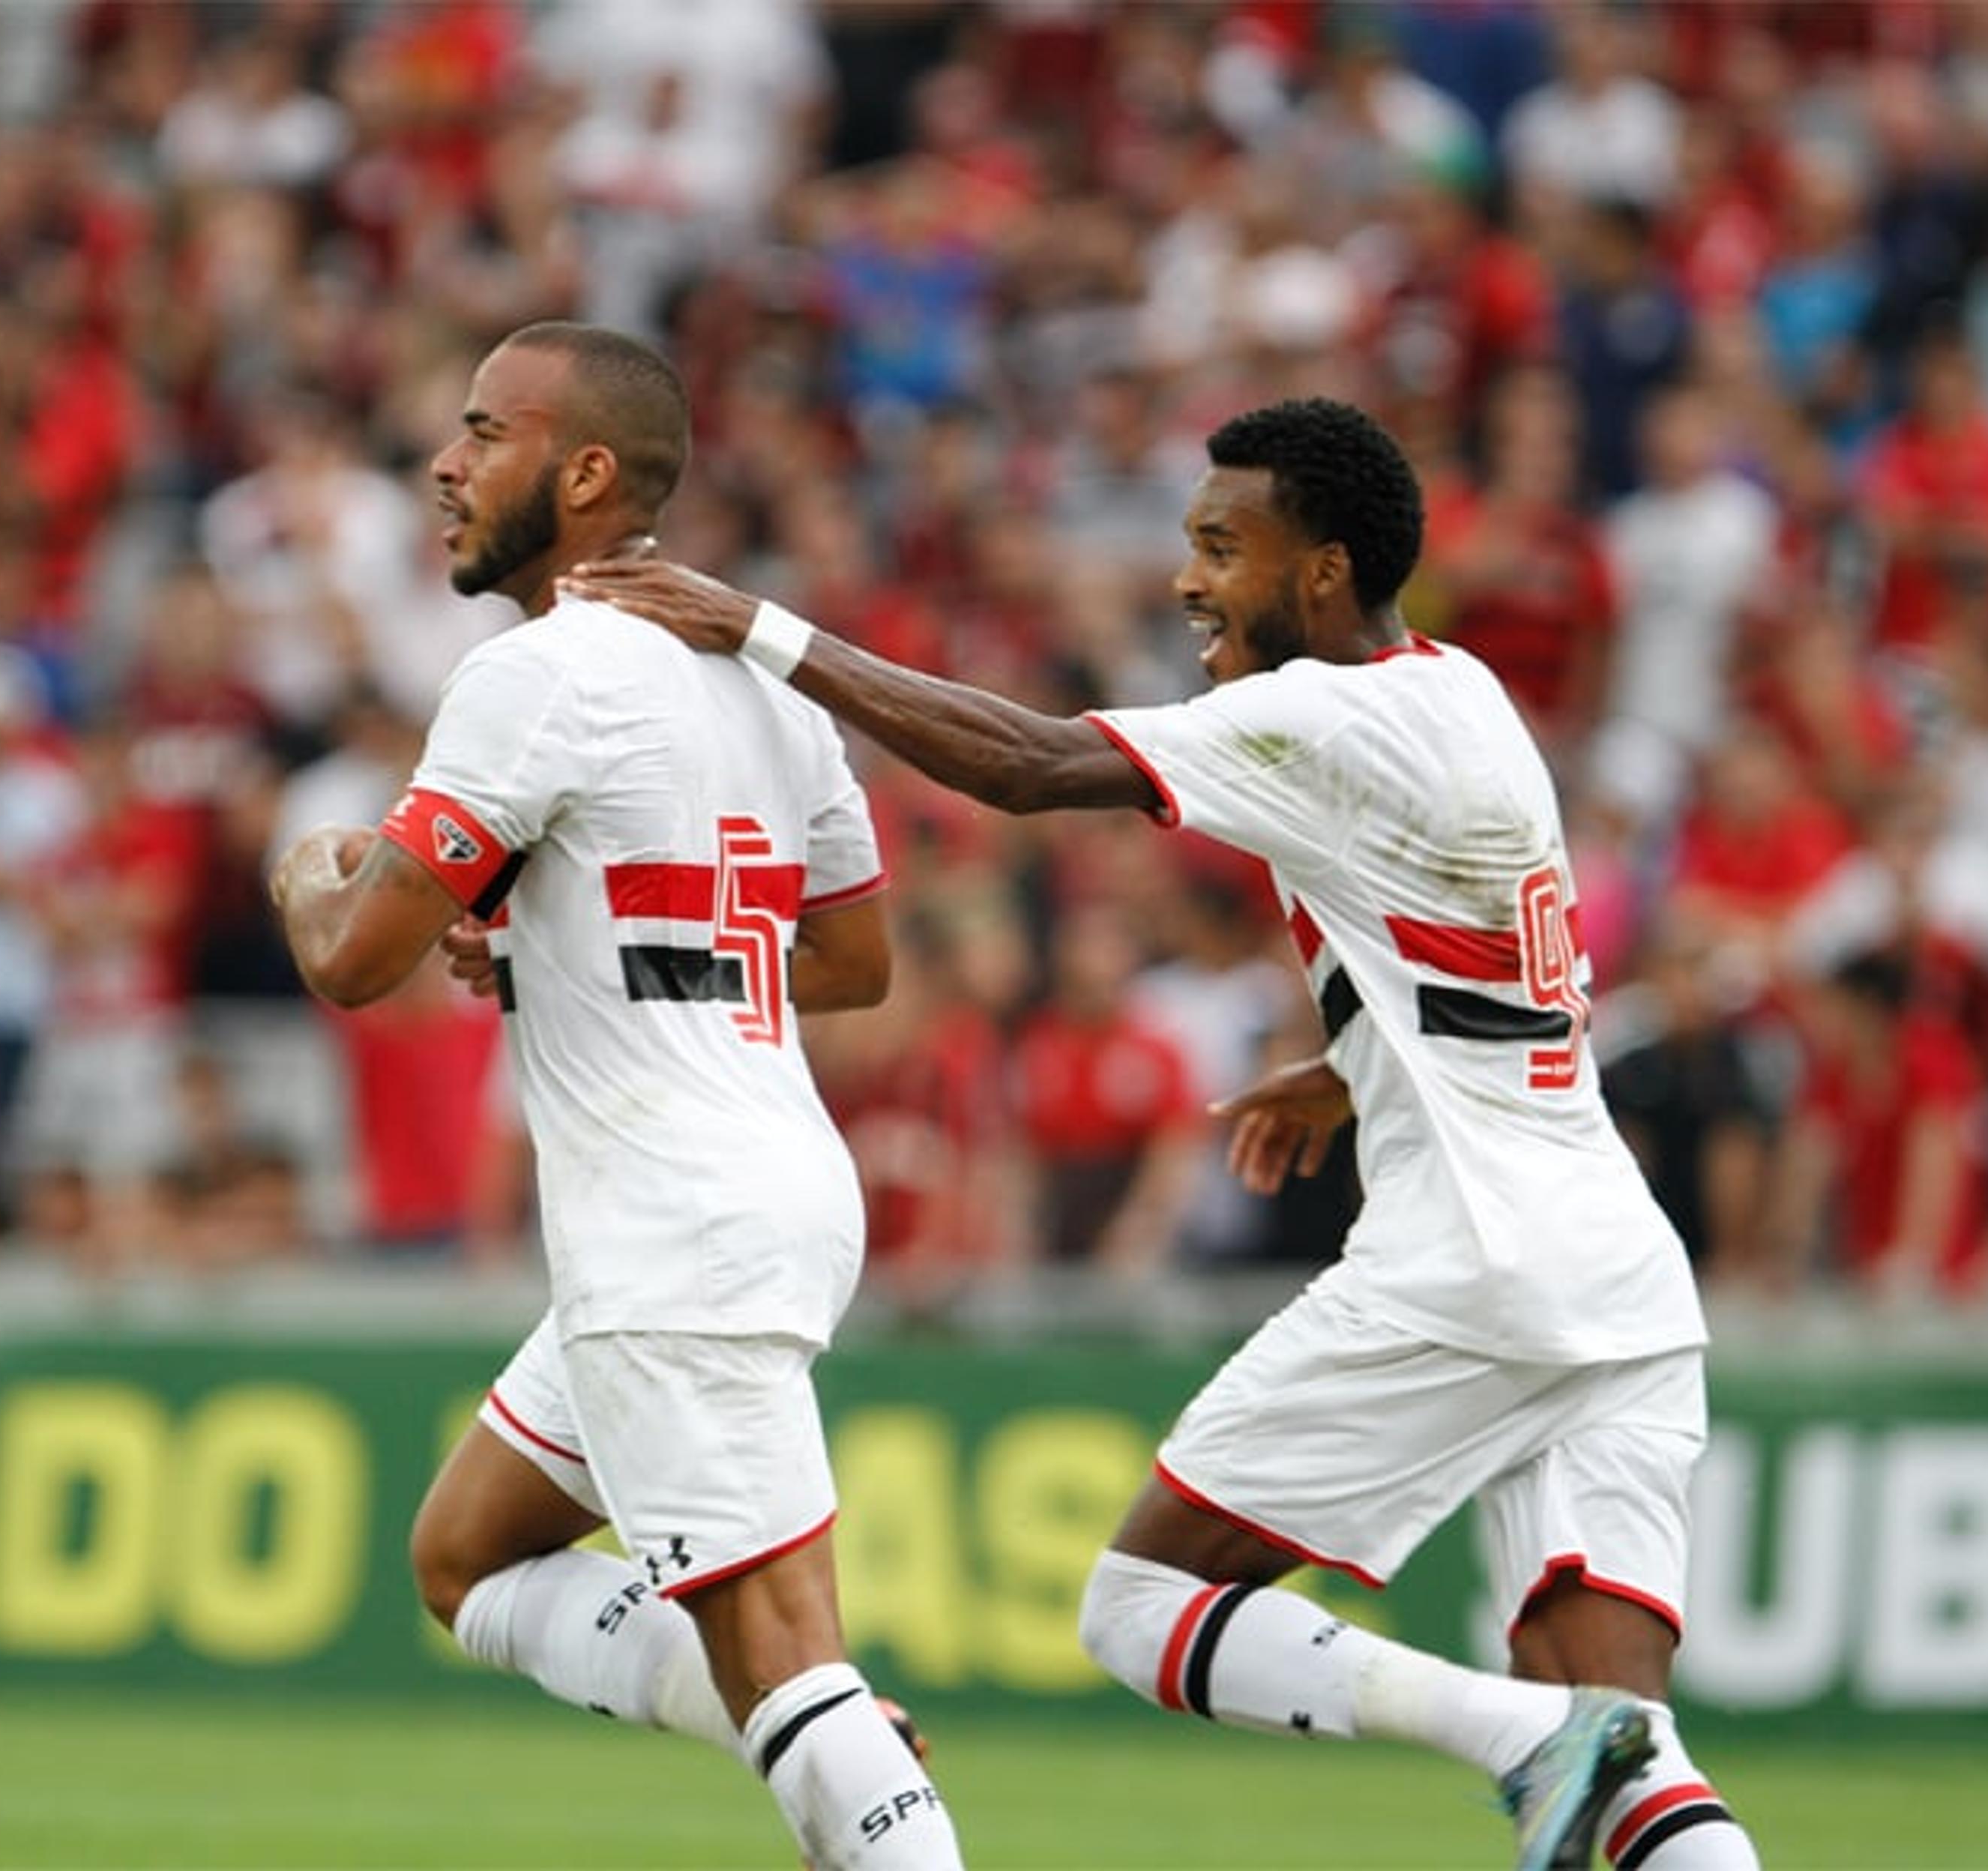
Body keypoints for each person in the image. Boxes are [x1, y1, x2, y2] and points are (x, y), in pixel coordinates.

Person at [567, 397, 1762, 1871]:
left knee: (1140, 1609)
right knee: (1644, 1758)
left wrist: (756, 627)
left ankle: (1518, 1737)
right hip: (1622, 1275)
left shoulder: (1315, 708)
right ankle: (1572, 1738)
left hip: (1477, 1260)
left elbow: (1021, 765)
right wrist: (1353, 1068)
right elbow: (1536, 987)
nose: (1187, 578)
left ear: (1321, 574)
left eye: (1219, 546)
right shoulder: (1462, 691)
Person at [267, 322, 959, 1870]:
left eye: (483, 433)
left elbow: (354, 956)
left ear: (584, 474)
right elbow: (848, 961)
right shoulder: (763, 683)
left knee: (785, 1647)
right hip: (768, 1175)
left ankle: (822, 1733)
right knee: (467, 1555)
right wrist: (552, 939)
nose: (443, 465)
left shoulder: (534, 673)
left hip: (674, 1216)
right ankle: (811, 1723)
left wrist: (301, 862)